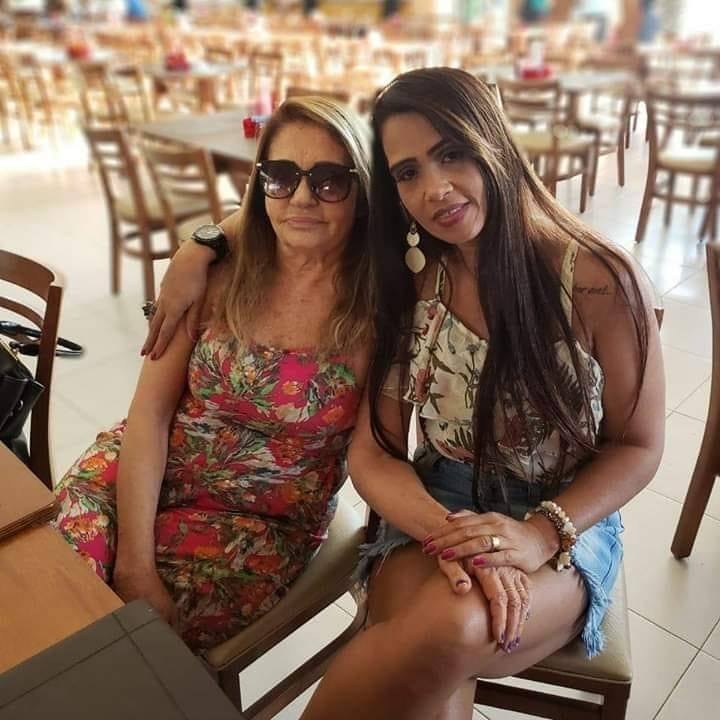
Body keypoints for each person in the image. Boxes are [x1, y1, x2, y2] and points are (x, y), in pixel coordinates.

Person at [144, 68, 664, 720]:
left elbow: (639, 446)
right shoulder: (411, 282)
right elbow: (374, 453)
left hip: (562, 518)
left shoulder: (598, 280)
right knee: (436, 667)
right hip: (431, 505)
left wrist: (536, 534)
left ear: (495, 141)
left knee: (452, 628)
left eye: (453, 153)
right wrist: (201, 245)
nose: (435, 189)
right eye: (408, 172)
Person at [54, 96, 373, 651]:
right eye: (281, 176)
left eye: (329, 180)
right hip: (140, 474)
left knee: (132, 651)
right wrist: (134, 564)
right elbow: (150, 414)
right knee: (48, 592)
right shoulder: (219, 274)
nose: (301, 197)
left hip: (260, 522)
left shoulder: (378, 307)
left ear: (362, 191)